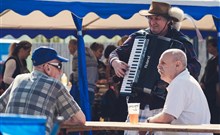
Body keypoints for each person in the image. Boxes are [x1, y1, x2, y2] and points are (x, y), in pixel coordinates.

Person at [109, 2, 201, 135]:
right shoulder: (138, 36)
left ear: (169, 21)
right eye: (150, 18)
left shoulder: (181, 41)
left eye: (157, 18)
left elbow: (195, 66)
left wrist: (174, 77)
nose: (153, 22)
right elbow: (115, 53)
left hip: (164, 104)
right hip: (137, 101)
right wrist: (115, 62)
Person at [0, 46, 86, 135]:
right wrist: (53, 119)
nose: (61, 72)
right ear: (47, 67)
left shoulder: (18, 79)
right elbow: (80, 119)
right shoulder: (55, 85)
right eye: (59, 66)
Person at [145, 49, 211, 135]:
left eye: (163, 63)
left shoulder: (180, 83)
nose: (158, 66)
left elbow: (167, 117)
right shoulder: (184, 80)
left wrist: (149, 121)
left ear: (177, 65)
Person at [68, 39, 98, 116]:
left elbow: (76, 73)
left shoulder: (77, 55)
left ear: (74, 46)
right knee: (89, 111)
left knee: (80, 112)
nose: (69, 50)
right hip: (91, 87)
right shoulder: (90, 54)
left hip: (82, 88)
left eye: (69, 47)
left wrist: (73, 80)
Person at [200, 37, 220, 129]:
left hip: (215, 91)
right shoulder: (211, 60)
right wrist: (202, 82)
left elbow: (216, 75)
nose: (208, 49)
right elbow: (206, 73)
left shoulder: (218, 60)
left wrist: (207, 83)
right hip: (207, 90)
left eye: (210, 46)